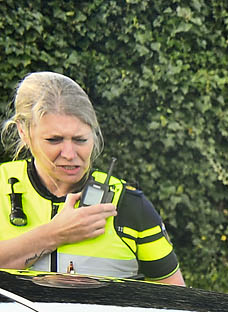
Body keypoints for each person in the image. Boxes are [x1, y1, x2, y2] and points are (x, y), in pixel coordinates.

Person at [0, 72, 183, 283]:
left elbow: (177, 299)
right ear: (24, 132)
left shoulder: (129, 204)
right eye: (54, 140)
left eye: (80, 139)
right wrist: (55, 234)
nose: (69, 154)